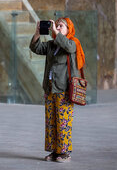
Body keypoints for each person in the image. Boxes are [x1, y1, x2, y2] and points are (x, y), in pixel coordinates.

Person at [29, 17, 85, 163]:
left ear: (68, 29)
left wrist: (56, 33)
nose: (58, 28)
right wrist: (37, 33)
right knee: (51, 122)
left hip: (64, 90)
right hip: (50, 89)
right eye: (57, 26)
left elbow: (69, 48)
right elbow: (36, 48)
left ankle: (64, 153)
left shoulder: (73, 43)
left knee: (63, 122)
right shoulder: (52, 45)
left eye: (61, 26)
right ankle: (55, 151)